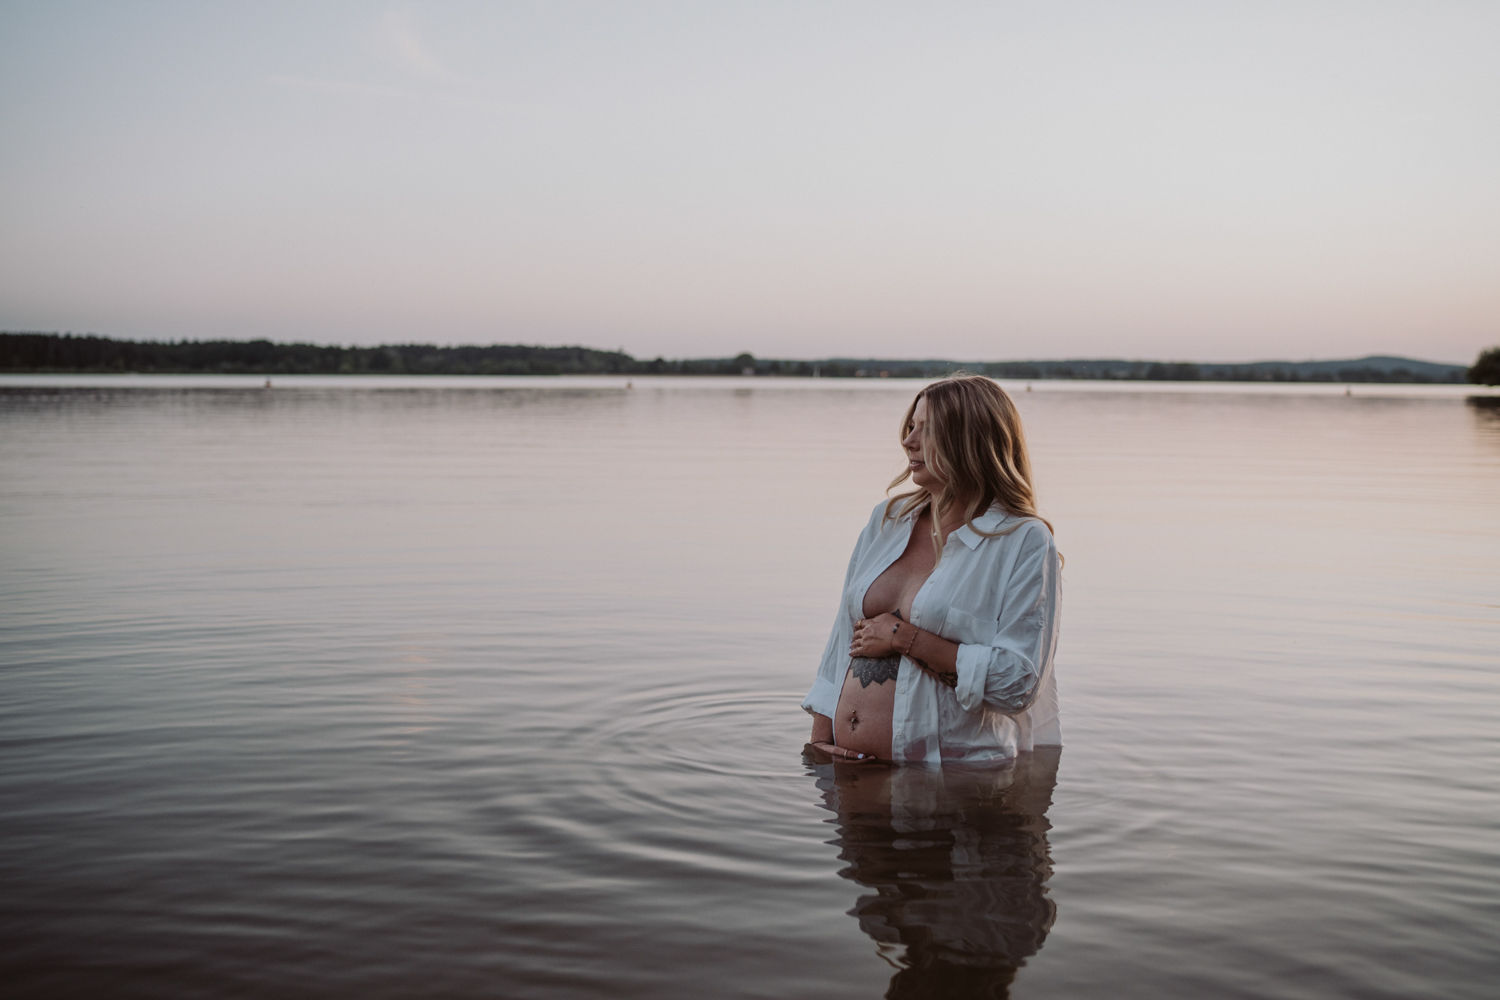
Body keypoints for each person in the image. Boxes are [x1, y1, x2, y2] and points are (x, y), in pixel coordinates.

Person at [802, 374, 1061, 765]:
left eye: (928, 430)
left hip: (954, 783)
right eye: (910, 426)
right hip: (847, 773)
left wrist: (902, 637)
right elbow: (842, 636)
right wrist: (820, 741)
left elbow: (1017, 684)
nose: (908, 441)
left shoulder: (1022, 540)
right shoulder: (887, 520)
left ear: (971, 441)